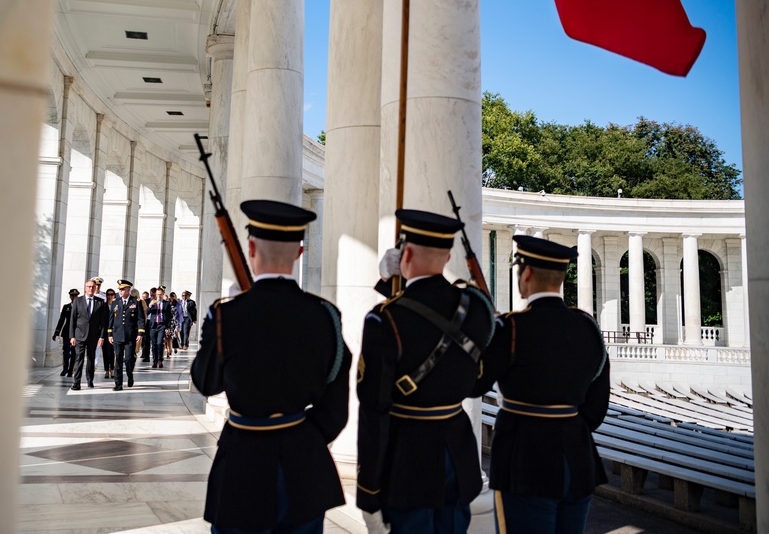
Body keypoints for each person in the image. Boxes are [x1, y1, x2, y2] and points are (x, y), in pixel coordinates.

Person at [191, 199, 351, 534]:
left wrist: (220, 323)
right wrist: (301, 436)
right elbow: (335, 405)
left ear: (250, 248)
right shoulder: (324, 315)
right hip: (304, 464)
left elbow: (206, 383)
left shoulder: (226, 315)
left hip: (242, 460)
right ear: (299, 253)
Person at [356, 209, 495, 534]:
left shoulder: (383, 320)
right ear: (447, 256)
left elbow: (374, 411)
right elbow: (476, 384)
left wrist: (369, 494)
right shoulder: (475, 309)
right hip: (458, 458)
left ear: (403, 254)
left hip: (407, 465)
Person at [471, 235, 610, 534]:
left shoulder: (510, 328)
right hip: (578, 461)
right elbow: (596, 411)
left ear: (527, 274)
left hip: (525, 464)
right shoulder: (588, 328)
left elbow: (472, 385)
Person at [108, 279, 145, 391]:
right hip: (117, 335)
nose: (120, 291)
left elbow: (140, 319)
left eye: (123, 289)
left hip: (130, 336)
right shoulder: (115, 302)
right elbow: (111, 319)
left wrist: (140, 333)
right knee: (118, 360)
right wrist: (109, 334)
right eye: (119, 289)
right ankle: (118, 384)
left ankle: (130, 374)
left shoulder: (136, 302)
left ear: (128, 290)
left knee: (129, 359)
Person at [69, 279, 105, 390]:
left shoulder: (100, 302)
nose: (91, 288)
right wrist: (72, 336)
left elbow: (103, 322)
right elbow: (72, 319)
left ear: (96, 288)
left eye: (93, 287)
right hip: (79, 335)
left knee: (91, 358)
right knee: (79, 358)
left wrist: (101, 336)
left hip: (93, 336)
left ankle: (90, 380)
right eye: (89, 286)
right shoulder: (78, 301)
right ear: (85, 288)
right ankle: (77, 382)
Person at [52, 288, 79, 377]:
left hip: (76, 333)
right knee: (66, 351)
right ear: (70, 296)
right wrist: (57, 332)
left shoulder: (80, 307)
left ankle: (71, 370)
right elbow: (61, 320)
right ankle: (65, 369)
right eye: (72, 295)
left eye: (75, 295)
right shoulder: (66, 307)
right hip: (67, 332)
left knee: (74, 352)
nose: (74, 297)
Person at [149, 285, 171, 368]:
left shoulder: (166, 303)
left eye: (160, 294)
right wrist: (150, 305)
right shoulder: (152, 302)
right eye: (157, 294)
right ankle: (154, 360)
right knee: (154, 344)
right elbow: (147, 312)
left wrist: (167, 327)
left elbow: (169, 316)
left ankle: (160, 360)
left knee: (159, 343)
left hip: (162, 325)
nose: (159, 296)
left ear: (163, 294)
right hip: (153, 325)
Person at [101, 288, 117, 378]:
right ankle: (106, 369)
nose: (110, 296)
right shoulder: (103, 306)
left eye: (112, 294)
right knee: (105, 352)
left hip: (114, 332)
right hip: (105, 331)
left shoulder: (117, 305)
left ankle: (112, 369)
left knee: (112, 352)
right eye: (108, 294)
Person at [140, 289, 152, 362]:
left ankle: (148, 355)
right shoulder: (145, 302)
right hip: (145, 322)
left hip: (153, 323)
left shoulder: (157, 302)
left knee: (149, 340)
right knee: (144, 340)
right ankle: (145, 354)